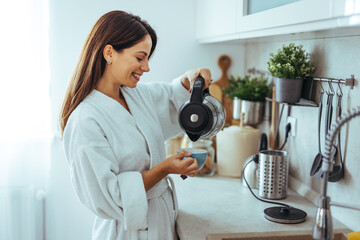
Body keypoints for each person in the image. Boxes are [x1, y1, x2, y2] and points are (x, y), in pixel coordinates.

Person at [60, 10, 212, 240]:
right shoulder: (85, 121)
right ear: (109, 53)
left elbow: (173, 98)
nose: (146, 67)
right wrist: (165, 169)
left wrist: (190, 77)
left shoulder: (136, 96)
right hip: (124, 232)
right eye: (140, 58)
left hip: (160, 222)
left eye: (147, 59)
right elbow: (109, 197)